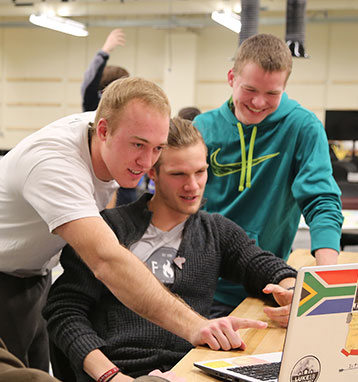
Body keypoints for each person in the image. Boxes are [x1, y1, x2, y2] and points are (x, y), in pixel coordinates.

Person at [0, 77, 269, 373]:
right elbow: (106, 261)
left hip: (34, 273)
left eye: (157, 148)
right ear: (103, 131)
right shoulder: (54, 165)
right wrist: (196, 326)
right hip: (4, 276)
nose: (146, 162)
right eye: (139, 146)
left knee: (35, 371)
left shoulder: (116, 130)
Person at [43, 117, 297, 382]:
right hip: (121, 371)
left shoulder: (216, 232)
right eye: (178, 174)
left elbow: (263, 266)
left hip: (189, 370)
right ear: (152, 172)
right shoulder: (108, 230)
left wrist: (289, 291)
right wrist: (109, 375)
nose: (193, 186)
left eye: (200, 172)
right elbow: (64, 311)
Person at [193, 33, 344, 318]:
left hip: (269, 285)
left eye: (272, 93)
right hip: (204, 286)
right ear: (231, 79)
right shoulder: (203, 127)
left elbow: (321, 200)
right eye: (250, 89)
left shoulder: (303, 127)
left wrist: (326, 284)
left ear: (285, 88)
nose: (259, 102)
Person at [81, 28, 136, 206]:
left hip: (125, 183)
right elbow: (89, 84)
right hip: (97, 179)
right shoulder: (95, 108)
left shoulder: (130, 113)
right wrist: (104, 52)